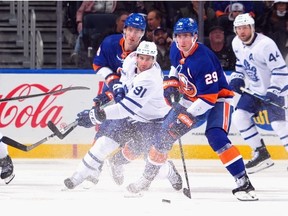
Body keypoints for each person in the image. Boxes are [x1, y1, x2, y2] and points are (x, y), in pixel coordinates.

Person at [120, 17, 258, 201]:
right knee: (162, 137)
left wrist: (185, 117)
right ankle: (146, 180)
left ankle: (244, 182)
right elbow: (175, 70)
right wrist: (170, 85)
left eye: (187, 36)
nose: (182, 40)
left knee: (216, 136)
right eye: (179, 36)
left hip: (218, 99)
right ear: (175, 37)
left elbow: (208, 100)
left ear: (195, 37)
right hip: (191, 98)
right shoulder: (176, 49)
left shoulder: (203, 60)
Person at [63, 41, 182, 191]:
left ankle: (169, 170)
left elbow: (126, 108)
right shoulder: (130, 60)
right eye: (142, 58)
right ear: (136, 56)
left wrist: (96, 116)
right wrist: (113, 92)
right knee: (104, 143)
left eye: (149, 59)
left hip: (153, 122)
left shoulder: (150, 79)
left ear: (154, 59)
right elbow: (124, 86)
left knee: (153, 160)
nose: (144, 62)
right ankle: (77, 176)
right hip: (131, 116)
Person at [229, 13, 288, 174]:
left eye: (245, 28)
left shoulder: (266, 45)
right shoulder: (236, 43)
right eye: (239, 28)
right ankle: (261, 153)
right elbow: (241, 62)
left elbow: (281, 70)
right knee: (239, 116)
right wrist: (238, 77)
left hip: (275, 90)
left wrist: (273, 91)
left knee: (278, 125)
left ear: (252, 28)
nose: (242, 32)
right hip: (254, 90)